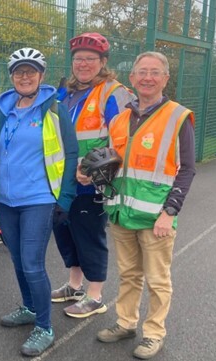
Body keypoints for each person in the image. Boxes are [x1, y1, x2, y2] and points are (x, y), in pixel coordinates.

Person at [92, 51, 196, 360]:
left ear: (165, 79)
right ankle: (125, 322)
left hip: (156, 219)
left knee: (157, 279)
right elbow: (114, 163)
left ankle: (154, 334)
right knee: (128, 274)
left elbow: (187, 168)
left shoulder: (178, 117)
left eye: (154, 72)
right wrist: (92, 176)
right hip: (121, 213)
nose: (147, 78)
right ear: (133, 78)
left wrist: (170, 212)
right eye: (141, 72)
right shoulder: (121, 119)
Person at [0, 48, 78, 357]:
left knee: (33, 264)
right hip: (7, 201)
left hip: (38, 199)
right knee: (18, 261)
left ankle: (44, 327)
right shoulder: (4, 110)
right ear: (12, 77)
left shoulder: (53, 110)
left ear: (41, 75)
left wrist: (65, 197)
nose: (25, 76)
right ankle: (30, 307)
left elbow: (71, 154)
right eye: (19, 71)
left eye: (31, 71)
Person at [51, 32, 135, 318]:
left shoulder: (112, 92)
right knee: (66, 234)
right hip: (62, 182)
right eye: (78, 59)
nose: (83, 64)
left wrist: (91, 171)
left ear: (103, 62)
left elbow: (122, 139)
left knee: (89, 236)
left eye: (90, 59)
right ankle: (75, 285)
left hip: (91, 183)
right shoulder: (64, 92)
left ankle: (95, 295)